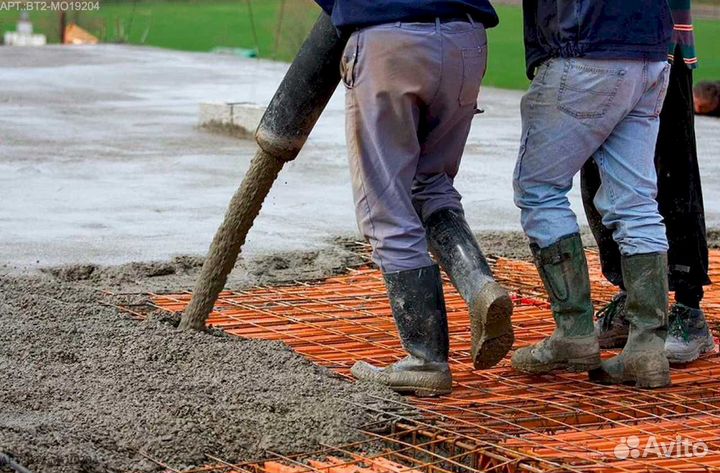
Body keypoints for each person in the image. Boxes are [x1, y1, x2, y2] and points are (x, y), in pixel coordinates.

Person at [314, 0, 514, 396]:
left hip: (390, 39)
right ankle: (479, 286)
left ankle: (426, 360)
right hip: (465, 41)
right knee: (431, 184)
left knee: (384, 206)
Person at [512, 0, 674, 388]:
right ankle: (648, 349)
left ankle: (574, 333)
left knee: (539, 189)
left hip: (585, 49)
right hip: (651, 55)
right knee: (636, 204)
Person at [582, 0, 714, 365]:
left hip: (658, 44)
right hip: (595, 44)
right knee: (598, 175)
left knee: (673, 172)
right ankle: (633, 296)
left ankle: (689, 307)